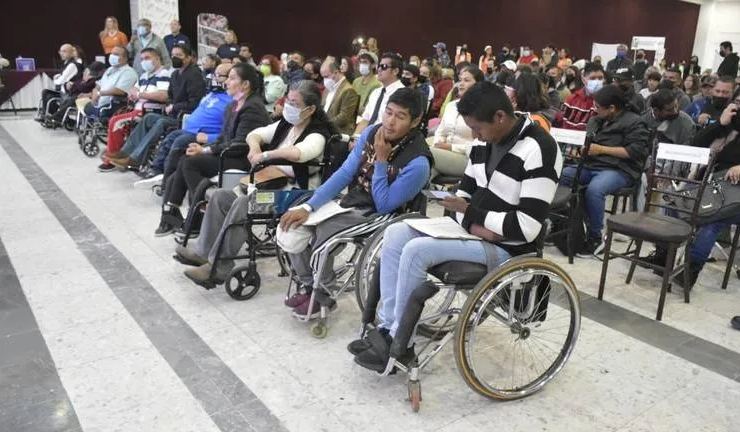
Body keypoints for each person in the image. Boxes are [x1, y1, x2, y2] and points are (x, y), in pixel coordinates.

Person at [350, 81, 563, 370]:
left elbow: (526, 227)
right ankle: (387, 329)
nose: (474, 136)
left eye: (477, 129)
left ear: (500, 116)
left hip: (511, 250)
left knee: (416, 251)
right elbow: (460, 197)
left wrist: (470, 214)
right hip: (479, 235)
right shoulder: (482, 144)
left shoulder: (540, 148)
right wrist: (474, 221)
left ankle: (402, 343)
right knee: (396, 231)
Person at [276, 88, 432, 318]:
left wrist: (380, 161)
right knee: (294, 222)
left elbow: (385, 205)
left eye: (400, 117)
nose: (390, 122)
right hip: (354, 201)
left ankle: (323, 293)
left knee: (324, 231)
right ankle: (309, 284)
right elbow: (345, 173)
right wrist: (308, 206)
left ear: (415, 121)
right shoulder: (371, 132)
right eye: (388, 112)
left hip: (383, 215)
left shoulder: (418, 163)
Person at [178, 81, 337, 285]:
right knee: (220, 196)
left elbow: (299, 153)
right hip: (270, 185)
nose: (288, 106)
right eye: (287, 99)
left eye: (294, 103)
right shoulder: (286, 125)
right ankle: (204, 253)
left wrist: (267, 154)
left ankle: (220, 267)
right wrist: (254, 149)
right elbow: (255, 134)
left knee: (245, 203)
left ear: (311, 109)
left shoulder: (317, 134)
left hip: (294, 195)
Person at [640, 84, 740, 287]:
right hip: (714, 188)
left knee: (710, 222)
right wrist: (721, 124)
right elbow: (696, 146)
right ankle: (663, 255)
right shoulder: (729, 128)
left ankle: (690, 270)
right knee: (674, 202)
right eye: (739, 102)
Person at [155, 63, 271, 236]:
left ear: (245, 84)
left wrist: (206, 151)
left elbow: (241, 144)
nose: (226, 83)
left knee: (190, 163)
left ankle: (194, 213)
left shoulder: (253, 107)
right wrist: (204, 148)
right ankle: (180, 213)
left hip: (243, 158)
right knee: (185, 157)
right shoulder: (232, 106)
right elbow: (223, 137)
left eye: (232, 79)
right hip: (230, 152)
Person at [560, 85, 650, 256]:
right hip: (592, 165)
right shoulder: (596, 120)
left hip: (620, 169)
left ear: (612, 108)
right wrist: (581, 150)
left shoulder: (634, 122)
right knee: (565, 175)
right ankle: (571, 225)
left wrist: (601, 149)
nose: (594, 109)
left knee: (595, 189)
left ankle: (596, 237)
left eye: (598, 107)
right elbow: (588, 144)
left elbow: (635, 152)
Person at [109, 44, 206, 168]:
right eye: (173, 55)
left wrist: (174, 107)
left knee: (160, 122)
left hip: (186, 116)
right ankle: (125, 152)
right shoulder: (176, 74)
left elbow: (195, 103)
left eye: (179, 55)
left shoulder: (194, 75)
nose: (175, 58)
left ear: (188, 58)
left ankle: (136, 158)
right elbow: (170, 95)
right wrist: (171, 104)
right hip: (173, 112)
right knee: (148, 118)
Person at [136, 63, 234, 185]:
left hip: (204, 134)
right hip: (189, 129)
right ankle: (156, 170)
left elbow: (231, 131)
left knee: (178, 143)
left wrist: (209, 137)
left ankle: (167, 182)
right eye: (215, 74)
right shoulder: (213, 93)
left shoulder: (233, 100)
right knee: (169, 139)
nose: (214, 78)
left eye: (219, 76)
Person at [99, 48, 172, 172]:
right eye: (142, 59)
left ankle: (114, 156)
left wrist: (141, 94)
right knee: (115, 118)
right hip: (137, 108)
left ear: (157, 58)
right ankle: (120, 153)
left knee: (116, 122)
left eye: (147, 58)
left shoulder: (164, 74)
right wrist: (134, 92)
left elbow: (163, 96)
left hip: (151, 111)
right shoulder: (144, 75)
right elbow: (133, 90)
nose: (144, 61)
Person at [430, 65, 484, 179]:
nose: (461, 84)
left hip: (467, 157)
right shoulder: (451, 105)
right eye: (460, 80)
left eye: (466, 80)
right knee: (427, 168)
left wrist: (450, 147)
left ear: (478, 85)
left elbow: (482, 145)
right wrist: (439, 143)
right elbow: (440, 132)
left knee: (424, 153)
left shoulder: (483, 109)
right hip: (442, 152)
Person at [354, 52, 405, 135]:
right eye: (379, 66)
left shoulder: (403, 94)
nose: (379, 69)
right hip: (366, 137)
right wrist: (355, 138)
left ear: (395, 71)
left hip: (384, 139)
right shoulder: (376, 92)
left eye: (384, 67)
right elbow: (365, 120)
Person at [80, 45, 138, 118]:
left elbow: (120, 91)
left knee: (97, 111)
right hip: (99, 103)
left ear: (125, 58)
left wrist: (99, 93)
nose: (112, 56)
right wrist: (94, 92)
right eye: (112, 53)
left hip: (113, 105)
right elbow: (98, 85)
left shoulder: (129, 72)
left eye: (116, 54)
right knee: (85, 106)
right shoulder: (109, 69)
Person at [37, 44, 84, 120]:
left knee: (48, 95)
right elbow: (62, 77)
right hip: (64, 91)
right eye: (60, 51)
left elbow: (60, 81)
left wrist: (57, 79)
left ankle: (56, 117)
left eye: (64, 51)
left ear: (71, 53)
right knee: (46, 92)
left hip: (70, 93)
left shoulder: (72, 65)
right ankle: (45, 115)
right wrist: (59, 77)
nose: (61, 53)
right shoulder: (67, 63)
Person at [556, 62, 605, 130]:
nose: (597, 82)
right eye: (592, 78)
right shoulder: (571, 99)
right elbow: (560, 122)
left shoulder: (605, 102)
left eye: (600, 78)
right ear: (583, 79)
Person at [321, 58, 360, 135]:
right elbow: (322, 107)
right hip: (326, 129)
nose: (324, 80)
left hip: (339, 132)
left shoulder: (348, 90)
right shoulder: (328, 88)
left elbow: (343, 118)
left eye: (326, 76)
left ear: (335, 73)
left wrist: (324, 126)